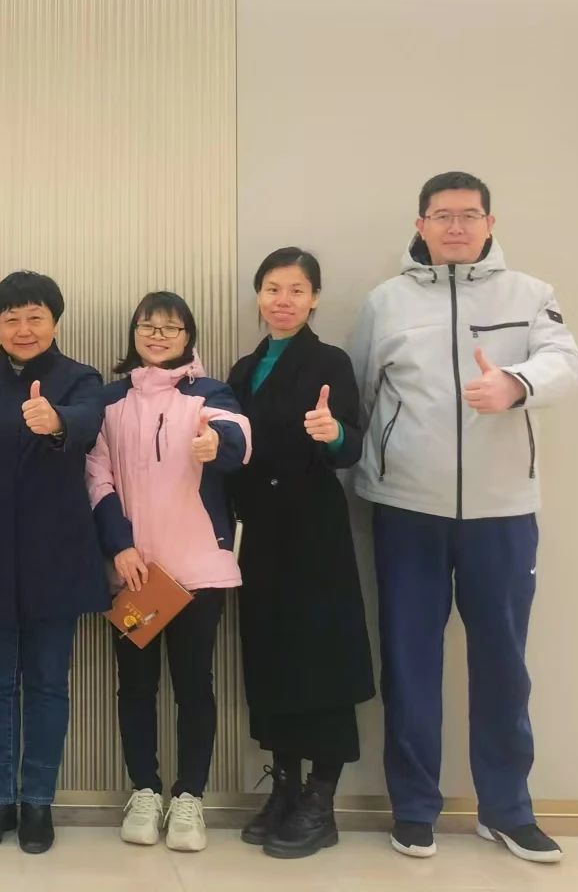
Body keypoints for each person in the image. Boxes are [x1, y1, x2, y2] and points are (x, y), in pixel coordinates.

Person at [351, 172, 578, 864]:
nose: (455, 226)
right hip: (407, 509)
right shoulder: (386, 302)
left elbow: (567, 363)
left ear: (490, 222)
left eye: (469, 215)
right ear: (420, 224)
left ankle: (507, 810)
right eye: (442, 215)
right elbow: (362, 392)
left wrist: (515, 383)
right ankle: (414, 808)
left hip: (503, 511)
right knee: (409, 662)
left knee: (504, 663)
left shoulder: (529, 294)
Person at [0, 271, 107, 855]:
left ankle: (37, 803)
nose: (23, 328)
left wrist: (57, 422)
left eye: (35, 316)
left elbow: (89, 422)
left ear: (55, 321)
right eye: (11, 319)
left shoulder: (80, 378)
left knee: (47, 684)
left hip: (56, 556)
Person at [86, 291, 250, 854]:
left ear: (188, 337)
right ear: (133, 333)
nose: (158, 336)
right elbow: (97, 477)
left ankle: (189, 797)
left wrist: (217, 443)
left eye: (171, 328)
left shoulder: (210, 393)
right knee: (135, 686)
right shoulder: (110, 401)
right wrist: (120, 546)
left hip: (198, 570)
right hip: (136, 574)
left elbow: (237, 437)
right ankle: (144, 791)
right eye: (148, 326)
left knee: (194, 685)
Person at [226, 248, 375, 859]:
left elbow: (352, 444)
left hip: (313, 531)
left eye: (295, 290)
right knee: (272, 656)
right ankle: (284, 787)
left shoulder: (329, 361)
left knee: (322, 659)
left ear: (314, 299)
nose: (282, 300)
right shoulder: (243, 369)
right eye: (271, 288)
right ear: (258, 296)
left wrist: (332, 433)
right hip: (258, 532)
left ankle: (322, 798)